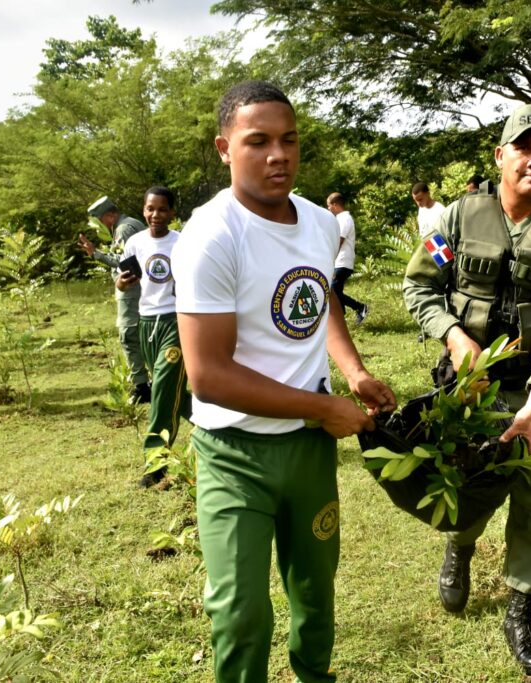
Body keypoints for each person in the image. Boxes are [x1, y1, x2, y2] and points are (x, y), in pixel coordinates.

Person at [172, 80, 396, 683]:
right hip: (235, 453)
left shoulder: (323, 225)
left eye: (289, 140)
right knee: (242, 612)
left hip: (308, 454)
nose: (279, 154)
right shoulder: (211, 236)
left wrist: (353, 372)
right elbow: (208, 375)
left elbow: (321, 305)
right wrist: (323, 408)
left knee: (315, 596)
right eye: (258, 141)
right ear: (225, 149)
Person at [403, 104, 531, 676]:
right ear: (501, 156)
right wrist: (454, 338)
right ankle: (460, 546)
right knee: (468, 480)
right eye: (525, 148)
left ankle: (520, 608)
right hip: (472, 385)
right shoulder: (457, 218)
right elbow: (419, 287)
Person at [115, 186, 191, 487]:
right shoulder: (134, 243)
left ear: (172, 212)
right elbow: (123, 285)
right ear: (143, 210)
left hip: (177, 320)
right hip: (147, 322)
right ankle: (226, 428)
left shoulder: (183, 242)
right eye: (150, 209)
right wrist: (122, 284)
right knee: (172, 392)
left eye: (162, 209)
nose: (155, 215)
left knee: (160, 387)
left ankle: (156, 464)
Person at [79, 196, 151, 404]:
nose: (101, 225)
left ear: (110, 216)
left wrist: (96, 254)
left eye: (101, 220)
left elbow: (123, 263)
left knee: (129, 335)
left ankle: (141, 387)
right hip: (139, 288)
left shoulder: (123, 229)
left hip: (131, 290)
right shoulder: (133, 224)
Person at [326, 192, 368, 325]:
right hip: (339, 261)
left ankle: (360, 307)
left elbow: (339, 241)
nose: (328, 209)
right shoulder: (340, 219)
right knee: (335, 292)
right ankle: (341, 318)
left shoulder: (344, 219)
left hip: (342, 261)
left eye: (329, 206)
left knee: (333, 292)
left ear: (335, 205)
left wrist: (330, 260)